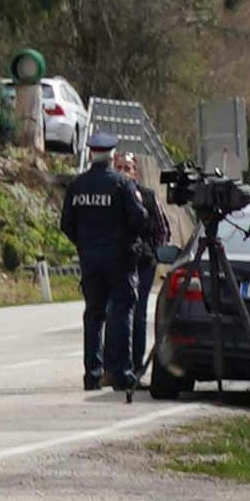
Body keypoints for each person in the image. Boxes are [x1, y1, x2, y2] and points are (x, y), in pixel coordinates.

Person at [59, 131, 143, 390]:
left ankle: (92, 374)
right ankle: (121, 372)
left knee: (94, 315)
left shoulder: (77, 185)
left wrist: (84, 244)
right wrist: (129, 239)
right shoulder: (122, 184)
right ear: (111, 156)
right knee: (122, 313)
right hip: (119, 259)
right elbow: (139, 219)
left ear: (91, 153)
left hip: (90, 259)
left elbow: (66, 223)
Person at [116, 151, 167, 382]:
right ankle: (115, 366)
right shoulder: (111, 195)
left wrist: (154, 252)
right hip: (117, 261)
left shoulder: (147, 196)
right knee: (116, 313)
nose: (123, 172)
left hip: (143, 262)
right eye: (119, 167)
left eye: (127, 168)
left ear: (135, 172)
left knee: (138, 313)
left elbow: (162, 229)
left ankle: (136, 365)